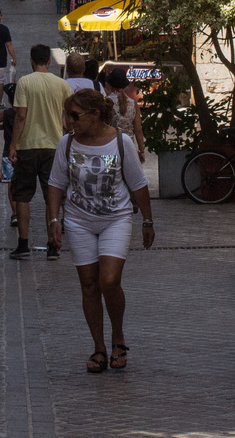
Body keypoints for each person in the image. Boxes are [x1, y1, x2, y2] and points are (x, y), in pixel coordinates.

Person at [47, 88, 155, 373]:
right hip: (78, 220)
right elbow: (56, 184)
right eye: (67, 115)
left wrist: (147, 220)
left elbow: (138, 183)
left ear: (95, 115)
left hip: (115, 219)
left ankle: (118, 336)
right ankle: (99, 347)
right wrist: (53, 220)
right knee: (89, 284)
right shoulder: (67, 144)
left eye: (75, 115)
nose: (70, 121)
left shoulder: (121, 143)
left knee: (109, 280)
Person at [7, 44, 69, 261]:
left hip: (28, 146)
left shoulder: (25, 82)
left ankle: (23, 244)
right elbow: (67, 118)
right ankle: (53, 245)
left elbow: (21, 116)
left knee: (22, 195)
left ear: (31, 61)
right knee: (51, 196)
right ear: (49, 61)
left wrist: (13, 145)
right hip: (54, 147)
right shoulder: (61, 85)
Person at [103, 69, 146, 153]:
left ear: (110, 85)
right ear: (125, 86)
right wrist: (142, 150)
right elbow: (138, 130)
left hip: (110, 145)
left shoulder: (106, 102)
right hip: (128, 147)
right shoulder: (133, 104)